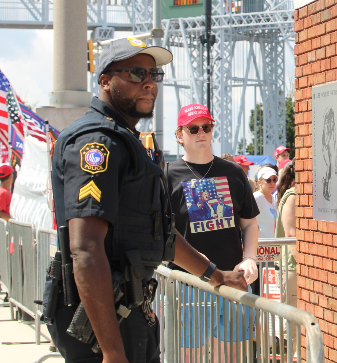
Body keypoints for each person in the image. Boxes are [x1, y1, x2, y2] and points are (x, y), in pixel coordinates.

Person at [45, 38, 246, 363]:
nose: (149, 83)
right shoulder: (97, 142)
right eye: (137, 72)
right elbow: (86, 248)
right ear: (106, 80)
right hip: (105, 323)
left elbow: (160, 235)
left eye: (154, 75)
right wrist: (112, 353)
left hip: (129, 310)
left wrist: (215, 274)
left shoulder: (125, 142)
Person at [166, 103, 260, 360]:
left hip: (232, 278)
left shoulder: (232, 173)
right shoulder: (168, 175)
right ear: (179, 135)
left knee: (231, 355)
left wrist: (250, 257)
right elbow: (166, 231)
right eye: (193, 128)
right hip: (188, 282)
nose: (200, 133)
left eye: (206, 127)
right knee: (189, 356)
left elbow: (249, 222)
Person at [274, 159, 297, 346]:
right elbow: (291, 235)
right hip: (292, 267)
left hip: (292, 267)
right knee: (292, 323)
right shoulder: (293, 196)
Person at [253, 166, 278, 239]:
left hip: (274, 246)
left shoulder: (273, 199)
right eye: (268, 180)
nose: (272, 183)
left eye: (274, 179)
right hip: (261, 245)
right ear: (259, 182)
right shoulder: (256, 198)